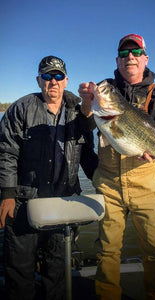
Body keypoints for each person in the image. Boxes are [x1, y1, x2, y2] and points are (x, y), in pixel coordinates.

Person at [78, 34, 155, 300]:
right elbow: (85, 124)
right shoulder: (105, 89)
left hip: (147, 182)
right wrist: (87, 102)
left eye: (135, 52)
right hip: (108, 181)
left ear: (145, 58)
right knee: (107, 250)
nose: (129, 57)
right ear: (117, 61)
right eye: (123, 54)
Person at [0, 55, 98, 300]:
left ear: (66, 81)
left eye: (57, 76)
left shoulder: (79, 115)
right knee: (19, 269)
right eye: (46, 76)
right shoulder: (21, 108)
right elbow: (6, 152)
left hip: (63, 202)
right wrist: (7, 194)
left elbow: (88, 155)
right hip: (24, 201)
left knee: (57, 268)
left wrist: (103, 182)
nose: (52, 82)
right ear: (38, 80)